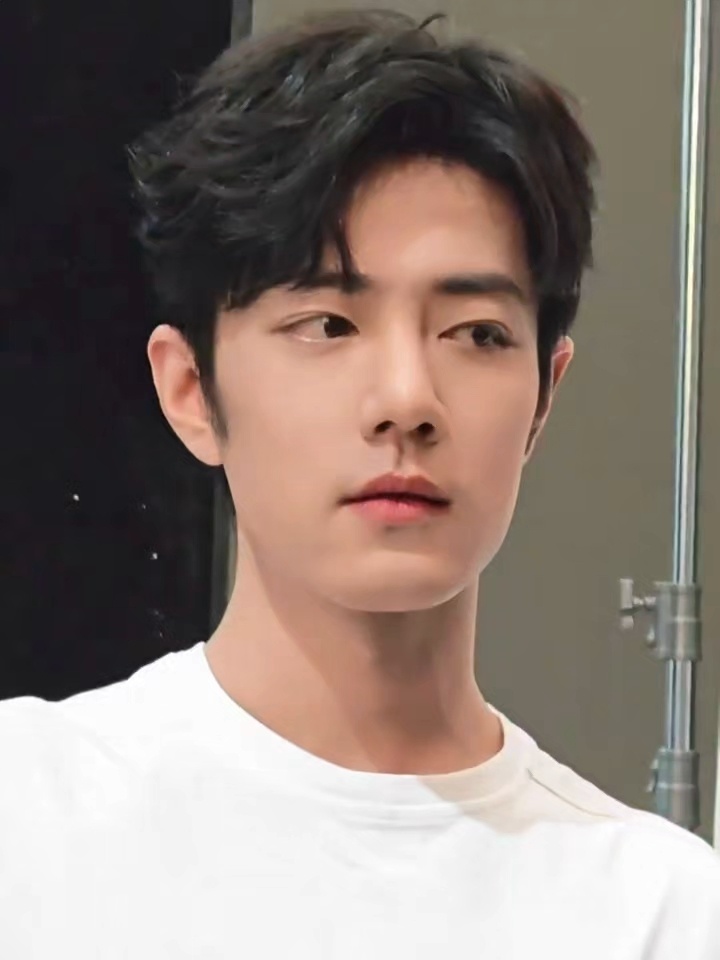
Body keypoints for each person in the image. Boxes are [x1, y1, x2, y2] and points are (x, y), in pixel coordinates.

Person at [1, 9, 719, 958]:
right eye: (328, 326)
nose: (407, 400)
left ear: (545, 396)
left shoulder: (659, 911)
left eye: (477, 334)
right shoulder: (29, 817)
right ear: (191, 390)